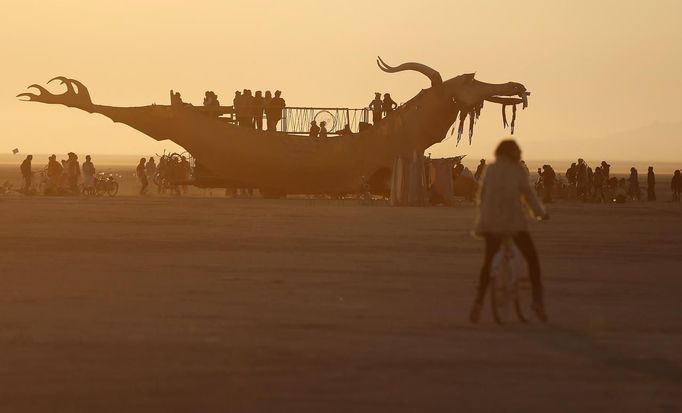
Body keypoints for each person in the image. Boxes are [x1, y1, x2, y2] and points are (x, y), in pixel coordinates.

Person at [470, 139, 548, 323]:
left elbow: (482, 195)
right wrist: (540, 213)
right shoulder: (518, 170)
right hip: (513, 223)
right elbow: (529, 195)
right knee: (532, 258)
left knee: (488, 262)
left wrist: (484, 214)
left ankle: (478, 303)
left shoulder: (491, 169)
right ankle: (537, 301)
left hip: (490, 223)